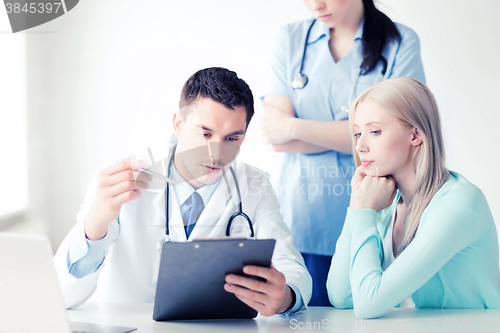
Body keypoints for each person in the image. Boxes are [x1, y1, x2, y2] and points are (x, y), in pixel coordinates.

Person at [53, 67, 312, 316]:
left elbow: (290, 265)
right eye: (205, 133)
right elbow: (63, 295)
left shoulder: (255, 184)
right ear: (178, 123)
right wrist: (95, 225)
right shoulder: (121, 178)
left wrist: (285, 296)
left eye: (232, 138)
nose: (217, 153)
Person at [261, 0, 425, 306]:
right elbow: (277, 138)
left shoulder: (400, 42)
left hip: (377, 211)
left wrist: (294, 127)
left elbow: (403, 131)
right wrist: (368, 131)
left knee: (368, 313)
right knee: (306, 318)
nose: (315, 5)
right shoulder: (290, 38)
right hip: (304, 214)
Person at [326, 77, 500, 318]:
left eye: (375, 131)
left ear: (416, 135)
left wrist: (364, 214)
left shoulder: (459, 204)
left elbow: (368, 304)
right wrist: (357, 204)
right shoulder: (385, 202)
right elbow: (340, 295)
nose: (360, 146)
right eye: (357, 134)